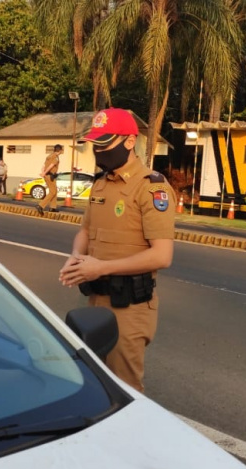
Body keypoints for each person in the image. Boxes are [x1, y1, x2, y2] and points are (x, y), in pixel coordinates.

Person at [58, 108, 175, 393]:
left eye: (105, 143)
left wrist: (101, 267)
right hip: (96, 298)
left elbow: (162, 256)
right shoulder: (100, 184)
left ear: (130, 141)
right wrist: (76, 257)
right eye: (95, 144)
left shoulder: (150, 189)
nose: (99, 151)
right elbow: (85, 232)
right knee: (93, 383)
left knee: (124, 390)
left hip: (130, 306)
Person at [37, 144, 63, 215]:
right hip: (50, 175)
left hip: (47, 175)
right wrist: (44, 172)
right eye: (62, 150)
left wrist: (43, 172)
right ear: (60, 150)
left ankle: (53, 207)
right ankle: (41, 206)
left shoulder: (49, 156)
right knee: (53, 192)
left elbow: (44, 165)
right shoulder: (56, 157)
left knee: (54, 190)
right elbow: (51, 165)